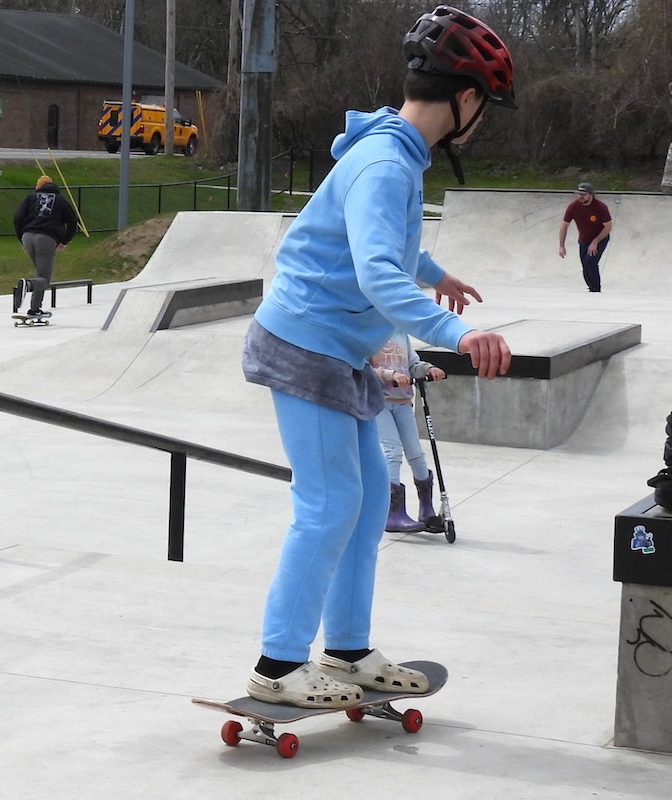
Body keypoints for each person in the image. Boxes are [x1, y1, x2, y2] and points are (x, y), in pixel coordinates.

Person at [240, 5, 514, 710]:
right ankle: (278, 663)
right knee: (329, 505)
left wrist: (435, 272)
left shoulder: (395, 152)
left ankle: (348, 649)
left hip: (335, 352)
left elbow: (384, 241)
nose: (481, 120)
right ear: (466, 98)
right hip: (306, 346)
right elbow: (375, 273)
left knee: (362, 506)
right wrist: (457, 333)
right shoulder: (388, 163)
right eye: (484, 106)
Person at [372, 332, 446, 533]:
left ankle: (427, 510)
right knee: (393, 452)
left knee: (416, 453)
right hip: (378, 402)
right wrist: (390, 375)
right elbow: (363, 368)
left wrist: (428, 369)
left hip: (402, 402)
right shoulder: (370, 331)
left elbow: (412, 364)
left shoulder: (400, 334)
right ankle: (392, 513)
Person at [12, 175, 78, 319]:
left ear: (38, 187)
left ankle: (35, 309)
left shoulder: (30, 198)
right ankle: (28, 285)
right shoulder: (60, 200)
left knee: (40, 273)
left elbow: (17, 217)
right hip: (46, 239)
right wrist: (64, 241)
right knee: (44, 279)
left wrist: (21, 238)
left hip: (27, 236)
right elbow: (73, 222)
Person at [558, 182, 613, 293]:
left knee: (590, 262)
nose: (581, 197)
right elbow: (564, 226)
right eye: (579, 194)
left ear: (591, 195)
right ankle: (591, 288)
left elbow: (608, 227)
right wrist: (561, 246)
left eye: (584, 195)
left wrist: (595, 242)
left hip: (600, 238)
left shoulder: (600, 207)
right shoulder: (573, 206)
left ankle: (596, 289)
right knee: (585, 265)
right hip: (584, 240)